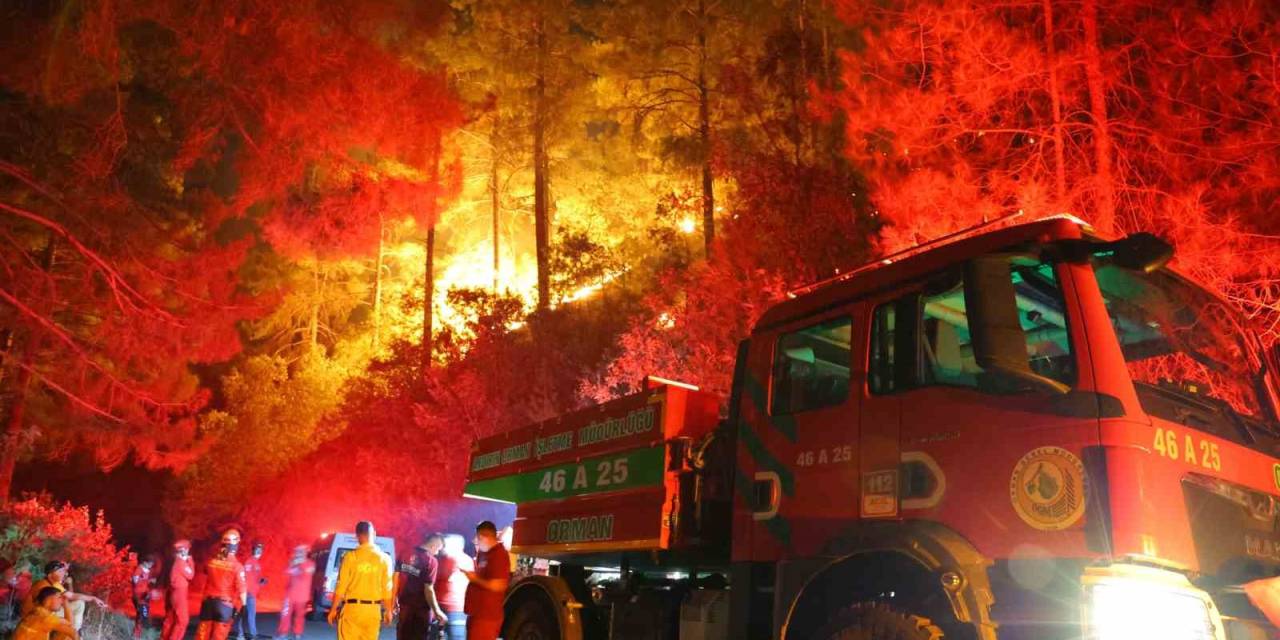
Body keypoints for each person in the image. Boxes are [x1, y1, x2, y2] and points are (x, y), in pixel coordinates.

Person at [326, 521, 393, 640]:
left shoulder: (350, 557)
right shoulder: (385, 559)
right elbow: (387, 589)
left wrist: (333, 609)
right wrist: (388, 610)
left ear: (357, 536)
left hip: (352, 610)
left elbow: (341, 586)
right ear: (374, 535)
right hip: (373, 612)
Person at [194, 528, 247, 640]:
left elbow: (204, 571)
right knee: (218, 637)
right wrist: (244, 606)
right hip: (224, 606)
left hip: (207, 604)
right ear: (236, 545)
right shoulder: (237, 567)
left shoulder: (211, 561)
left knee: (202, 635)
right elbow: (242, 590)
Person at [462, 522, 509, 640]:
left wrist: (474, 579)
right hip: (476, 613)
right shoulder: (483, 553)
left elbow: (498, 585)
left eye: (478, 538)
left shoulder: (499, 555)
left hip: (487, 616)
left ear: (485, 536)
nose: (477, 541)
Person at [394, 536, 444, 640]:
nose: (437, 553)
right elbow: (429, 589)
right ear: (433, 545)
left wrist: (394, 599)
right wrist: (437, 611)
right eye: (438, 549)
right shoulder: (431, 561)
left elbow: (395, 578)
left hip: (405, 607)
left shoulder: (405, 553)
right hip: (421, 611)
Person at [23, 562, 104, 622]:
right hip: (34, 616)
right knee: (66, 614)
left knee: (79, 604)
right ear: (50, 575)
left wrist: (93, 598)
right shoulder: (43, 585)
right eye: (60, 572)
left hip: (47, 612)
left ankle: (75, 631)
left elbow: (72, 596)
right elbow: (45, 609)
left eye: (63, 571)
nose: (63, 574)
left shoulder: (55, 583)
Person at [433, 535, 471, 640]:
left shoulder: (450, 559)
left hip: (450, 608)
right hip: (456, 607)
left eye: (445, 544)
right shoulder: (467, 559)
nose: (442, 547)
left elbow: (435, 577)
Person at [274, 546, 314, 640]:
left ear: (304, 553)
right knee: (285, 614)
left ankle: (298, 634)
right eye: (297, 552)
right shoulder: (292, 563)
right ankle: (283, 634)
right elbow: (285, 575)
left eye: (300, 552)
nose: (298, 554)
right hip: (290, 595)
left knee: (299, 617)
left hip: (302, 597)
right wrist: (291, 565)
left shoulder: (310, 564)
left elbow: (307, 573)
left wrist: (300, 564)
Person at [13, 586, 78, 640]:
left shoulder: (39, 611)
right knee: (68, 636)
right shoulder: (44, 616)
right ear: (49, 599)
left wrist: (65, 603)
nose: (62, 601)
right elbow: (72, 631)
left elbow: (69, 626)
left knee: (64, 634)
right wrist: (66, 603)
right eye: (59, 597)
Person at [162, 540, 195, 640]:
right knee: (183, 621)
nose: (189, 552)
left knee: (171, 619)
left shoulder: (174, 561)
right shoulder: (180, 563)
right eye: (188, 549)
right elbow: (191, 575)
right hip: (178, 594)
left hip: (173, 593)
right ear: (184, 550)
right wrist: (190, 560)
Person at [234, 542, 266, 640]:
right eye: (258, 549)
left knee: (245, 614)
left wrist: (260, 582)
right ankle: (248, 634)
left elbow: (255, 578)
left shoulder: (254, 562)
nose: (259, 551)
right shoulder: (250, 562)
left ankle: (244, 633)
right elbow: (246, 578)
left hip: (249, 592)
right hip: (247, 592)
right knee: (245, 613)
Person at [132, 556, 157, 638]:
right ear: (145, 562)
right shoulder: (139, 569)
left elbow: (144, 581)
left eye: (152, 564)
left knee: (143, 615)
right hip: (139, 594)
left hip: (144, 594)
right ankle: (136, 634)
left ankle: (138, 634)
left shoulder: (147, 571)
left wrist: (150, 581)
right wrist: (146, 580)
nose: (150, 566)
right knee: (142, 614)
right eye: (150, 564)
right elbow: (135, 581)